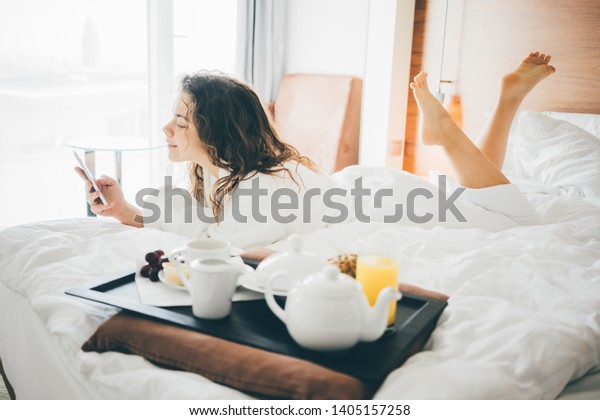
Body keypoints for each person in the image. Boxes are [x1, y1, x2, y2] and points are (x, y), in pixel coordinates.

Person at [75, 72, 334, 248]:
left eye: (180, 122)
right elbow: (205, 228)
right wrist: (122, 209)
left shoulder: (262, 189)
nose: (167, 128)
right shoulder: (221, 171)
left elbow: (215, 246)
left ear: (216, 132)